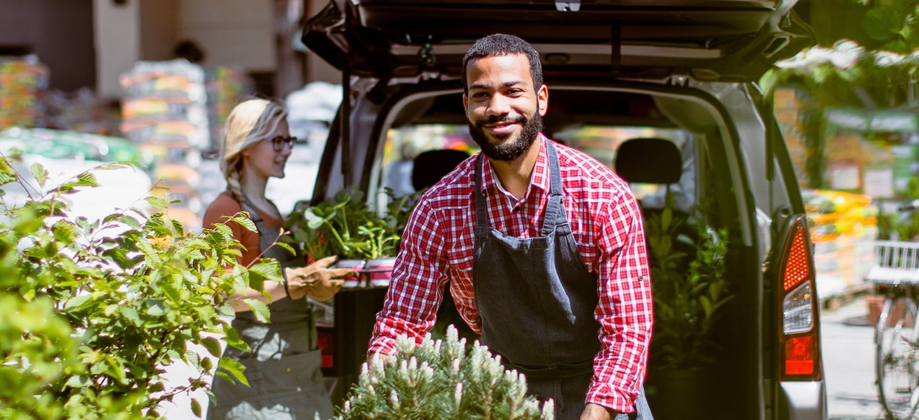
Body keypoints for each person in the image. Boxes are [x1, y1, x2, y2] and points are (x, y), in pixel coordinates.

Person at [369, 34, 654, 420]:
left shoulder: (602, 196)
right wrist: (382, 394)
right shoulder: (439, 208)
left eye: (512, 91)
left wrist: (596, 412)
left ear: (542, 98)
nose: (497, 108)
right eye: (482, 95)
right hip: (500, 395)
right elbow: (403, 322)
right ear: (467, 105)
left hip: (604, 393)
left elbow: (627, 328)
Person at [203, 98, 353, 420]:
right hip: (258, 374)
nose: (286, 150)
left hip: (296, 363)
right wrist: (297, 280)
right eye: (278, 141)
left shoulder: (272, 210)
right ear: (246, 145)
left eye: (289, 141)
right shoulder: (225, 210)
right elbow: (223, 295)